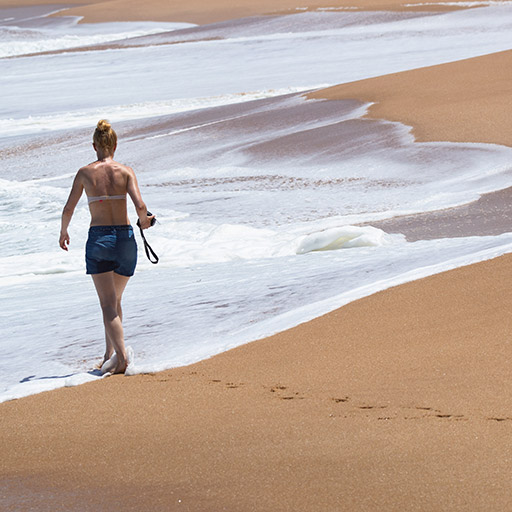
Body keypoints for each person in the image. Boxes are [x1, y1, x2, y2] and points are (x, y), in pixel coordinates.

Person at [59, 119, 154, 374]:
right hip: (125, 239)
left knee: (108, 304)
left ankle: (122, 359)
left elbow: (69, 208)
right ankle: (109, 353)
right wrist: (145, 222)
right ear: (115, 144)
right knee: (115, 299)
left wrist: (63, 231)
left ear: (94, 146)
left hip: (99, 239)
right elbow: (141, 207)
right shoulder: (126, 171)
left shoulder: (84, 173)